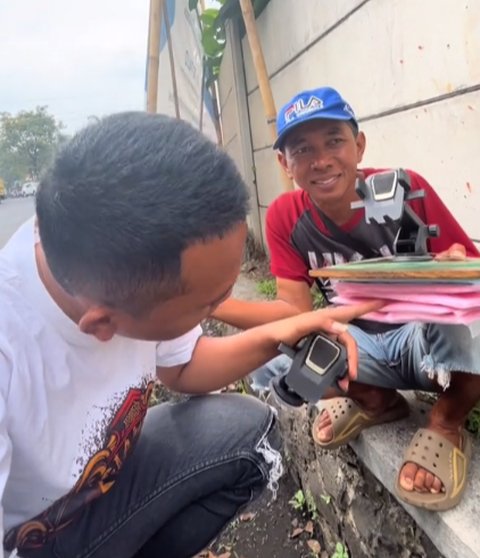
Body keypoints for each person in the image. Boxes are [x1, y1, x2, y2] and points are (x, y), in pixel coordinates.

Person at [0, 112, 379, 558]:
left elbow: (184, 365)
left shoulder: (97, 251)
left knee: (246, 434)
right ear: (103, 325)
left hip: (101, 486)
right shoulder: (14, 346)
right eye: (208, 305)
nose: (222, 309)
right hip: (37, 540)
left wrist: (283, 330)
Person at [212, 86, 480, 511]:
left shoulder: (406, 190)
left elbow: (469, 275)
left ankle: (446, 423)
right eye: (301, 150)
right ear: (284, 163)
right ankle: (377, 402)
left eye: (334, 141)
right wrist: (208, 305)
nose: (320, 160)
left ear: (358, 144)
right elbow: (292, 313)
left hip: (428, 349)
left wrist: (453, 266)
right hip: (361, 349)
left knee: (474, 313)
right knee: (274, 354)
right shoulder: (285, 216)